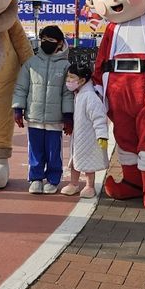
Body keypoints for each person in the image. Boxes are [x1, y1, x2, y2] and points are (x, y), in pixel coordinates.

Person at [12, 25, 74, 194]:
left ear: (60, 43)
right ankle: (36, 179)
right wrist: (18, 109)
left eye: (51, 40)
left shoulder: (65, 66)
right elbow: (21, 88)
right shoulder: (31, 63)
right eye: (43, 39)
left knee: (54, 151)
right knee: (35, 150)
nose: (46, 43)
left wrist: (68, 116)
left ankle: (53, 180)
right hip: (34, 116)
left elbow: (68, 93)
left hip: (55, 119)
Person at [60, 64, 109, 198]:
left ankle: (89, 186)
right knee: (74, 161)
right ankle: (74, 183)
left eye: (72, 77)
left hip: (89, 137)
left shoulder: (90, 97)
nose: (68, 80)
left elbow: (99, 118)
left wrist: (102, 136)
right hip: (79, 137)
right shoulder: (78, 94)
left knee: (88, 162)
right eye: (68, 77)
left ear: (82, 80)